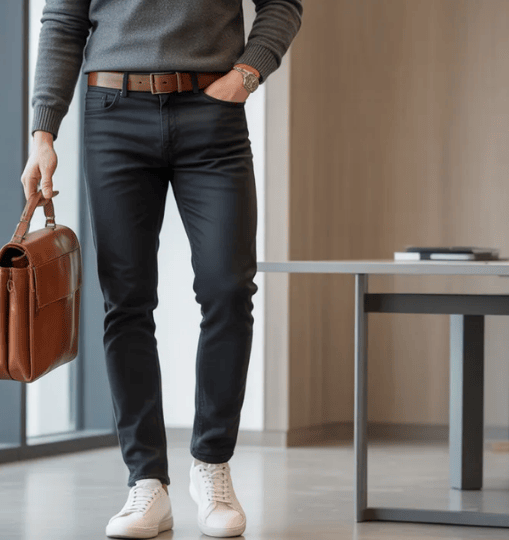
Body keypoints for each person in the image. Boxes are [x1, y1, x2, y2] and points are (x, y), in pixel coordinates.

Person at [22, 1, 302, 538]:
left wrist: (249, 71)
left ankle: (212, 466)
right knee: (126, 300)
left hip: (212, 113)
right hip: (113, 112)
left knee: (228, 287)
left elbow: (282, 5)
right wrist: (43, 132)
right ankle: (146, 480)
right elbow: (62, 22)